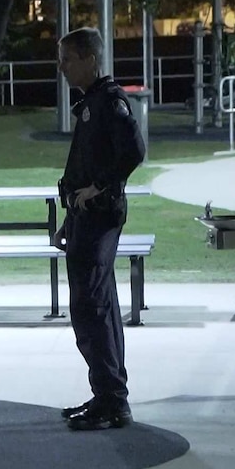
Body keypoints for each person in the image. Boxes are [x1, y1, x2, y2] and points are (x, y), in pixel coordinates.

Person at [54, 27, 146, 431]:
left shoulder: (110, 103)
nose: (61, 67)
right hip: (84, 221)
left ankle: (112, 400)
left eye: (68, 59)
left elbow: (135, 151)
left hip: (100, 219)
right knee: (94, 308)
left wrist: (103, 187)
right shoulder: (91, 102)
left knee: (92, 308)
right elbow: (82, 167)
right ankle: (106, 395)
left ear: (90, 59)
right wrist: (68, 219)